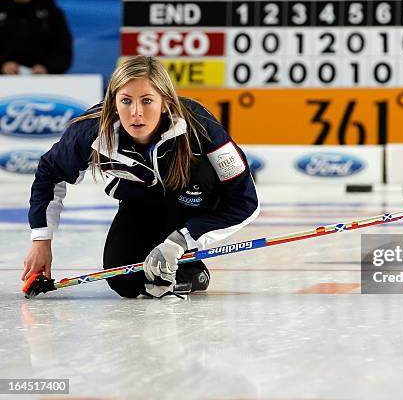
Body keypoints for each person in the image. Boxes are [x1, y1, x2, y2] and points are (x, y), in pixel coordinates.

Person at [21, 56, 260, 298]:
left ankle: (187, 264)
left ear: (165, 102)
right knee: (124, 283)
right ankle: (178, 265)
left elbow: (244, 202)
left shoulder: (200, 126)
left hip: (195, 200)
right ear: (113, 103)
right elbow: (49, 173)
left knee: (197, 179)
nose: (136, 112)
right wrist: (41, 241)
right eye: (126, 101)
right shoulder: (91, 131)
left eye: (147, 101)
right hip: (140, 202)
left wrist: (181, 241)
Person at [0, 0, 72, 74]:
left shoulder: (49, 7)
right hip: (4, 78)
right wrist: (2, 65)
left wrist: (47, 67)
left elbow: (63, 48)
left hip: (44, 79)